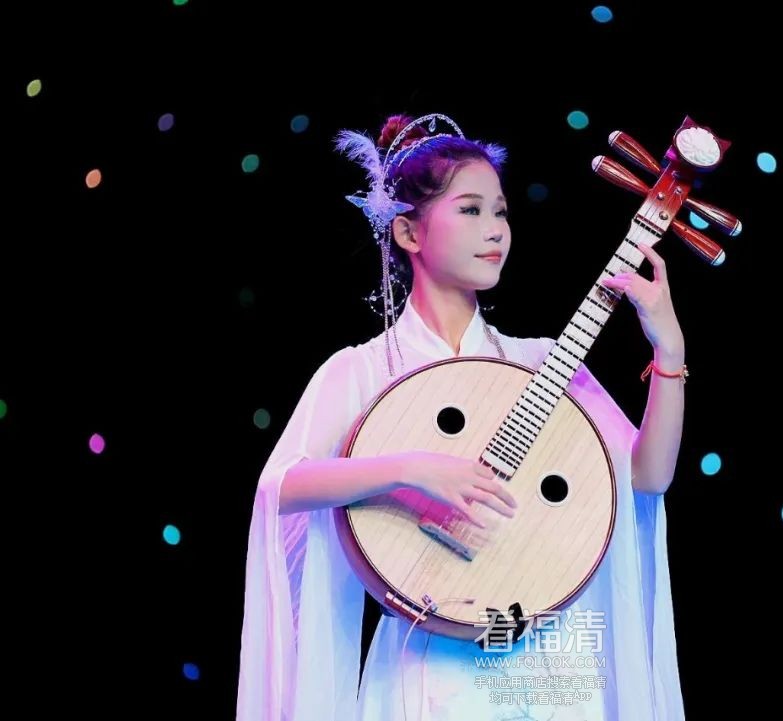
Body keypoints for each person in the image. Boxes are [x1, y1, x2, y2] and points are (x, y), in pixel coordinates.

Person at [236, 112, 688, 721]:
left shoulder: (541, 363)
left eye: (501, 212)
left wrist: (669, 351)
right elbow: (283, 486)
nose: (495, 229)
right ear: (408, 232)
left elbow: (647, 477)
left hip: (542, 660)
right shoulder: (363, 370)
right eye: (470, 210)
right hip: (426, 665)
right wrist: (411, 469)